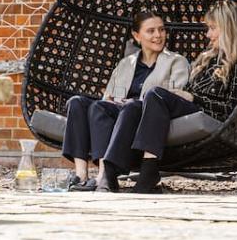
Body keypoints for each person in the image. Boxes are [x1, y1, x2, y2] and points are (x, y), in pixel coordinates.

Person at [98, 0, 237, 194]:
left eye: (212, 28)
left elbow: (232, 108)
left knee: (155, 94)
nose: (208, 34)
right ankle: (110, 170)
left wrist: (193, 98)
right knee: (135, 106)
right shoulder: (208, 58)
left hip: (206, 113)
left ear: (228, 28)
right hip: (186, 108)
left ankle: (149, 170)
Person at [62, 11, 189, 190]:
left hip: (142, 116)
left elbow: (171, 96)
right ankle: (81, 174)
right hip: (120, 112)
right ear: (137, 36)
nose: (158, 35)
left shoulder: (176, 62)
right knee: (80, 102)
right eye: (151, 31)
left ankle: (105, 176)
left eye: (161, 30)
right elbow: (108, 96)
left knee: (128, 106)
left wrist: (129, 102)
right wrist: (113, 101)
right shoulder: (125, 63)